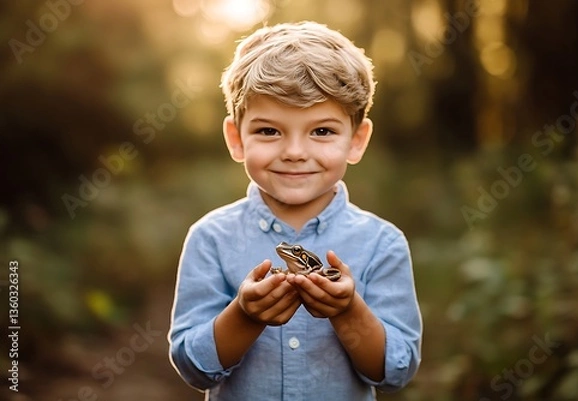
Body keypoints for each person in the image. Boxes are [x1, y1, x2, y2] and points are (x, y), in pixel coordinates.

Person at [168, 21, 422, 401]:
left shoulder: (382, 244)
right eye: (269, 131)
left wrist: (348, 311)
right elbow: (192, 366)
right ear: (236, 139)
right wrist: (245, 316)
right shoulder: (211, 238)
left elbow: (395, 371)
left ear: (356, 141)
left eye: (321, 131)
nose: (295, 152)